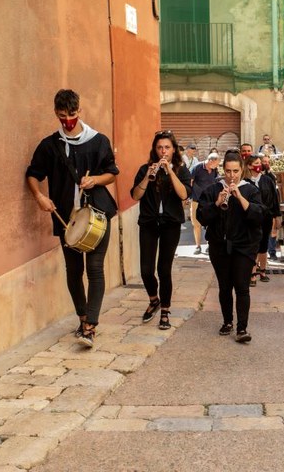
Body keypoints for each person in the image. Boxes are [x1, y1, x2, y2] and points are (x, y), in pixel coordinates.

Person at [26, 89, 119, 348]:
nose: (68, 120)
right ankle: (82, 317)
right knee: (74, 270)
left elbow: (112, 173)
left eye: (72, 114)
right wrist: (39, 197)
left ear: (80, 110)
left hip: (98, 212)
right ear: (56, 113)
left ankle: (90, 326)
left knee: (95, 268)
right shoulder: (49, 145)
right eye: (62, 115)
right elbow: (32, 174)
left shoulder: (98, 140)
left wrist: (95, 180)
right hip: (66, 218)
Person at [197, 150, 264, 342]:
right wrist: (217, 203)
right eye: (228, 171)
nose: (231, 175)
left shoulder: (251, 190)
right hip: (219, 246)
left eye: (235, 171)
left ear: (242, 170)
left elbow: (259, 216)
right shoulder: (212, 190)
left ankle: (242, 328)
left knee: (242, 286)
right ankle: (227, 322)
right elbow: (201, 217)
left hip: (244, 246)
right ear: (223, 170)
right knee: (224, 286)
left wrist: (240, 198)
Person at [131, 131, 192, 330]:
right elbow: (135, 196)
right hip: (149, 223)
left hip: (170, 224)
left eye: (166, 147)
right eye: (159, 148)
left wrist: (170, 171)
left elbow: (183, 194)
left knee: (163, 269)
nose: (163, 151)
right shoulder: (145, 169)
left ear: (173, 150)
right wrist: (148, 177)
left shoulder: (181, 170)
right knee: (146, 270)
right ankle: (154, 299)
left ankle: (165, 310)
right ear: (154, 150)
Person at [245, 154, 281, 284]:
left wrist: (277, 217)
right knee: (253, 244)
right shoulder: (245, 181)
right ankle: (252, 272)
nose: (258, 165)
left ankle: (263, 271)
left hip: (266, 217)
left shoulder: (267, 180)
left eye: (260, 163)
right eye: (255, 163)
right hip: (251, 218)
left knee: (263, 244)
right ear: (249, 166)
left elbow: (275, 200)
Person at [190, 152, 220, 254]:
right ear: (210, 161)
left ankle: (208, 245)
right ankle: (198, 246)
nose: (217, 166)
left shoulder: (214, 169)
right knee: (196, 223)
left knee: (210, 223)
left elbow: (216, 181)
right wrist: (188, 196)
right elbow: (190, 181)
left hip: (209, 200)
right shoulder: (197, 167)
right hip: (196, 199)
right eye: (216, 164)